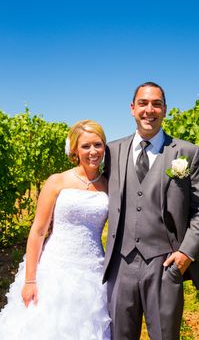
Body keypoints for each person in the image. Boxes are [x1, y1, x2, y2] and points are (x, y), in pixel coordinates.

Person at [103, 82, 199, 340]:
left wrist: (186, 254)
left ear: (165, 110)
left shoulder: (187, 153)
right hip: (121, 264)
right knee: (119, 335)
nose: (149, 110)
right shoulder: (112, 151)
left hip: (165, 264)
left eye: (156, 104)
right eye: (143, 103)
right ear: (132, 108)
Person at [0, 120, 111, 339]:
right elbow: (38, 231)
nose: (93, 152)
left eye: (98, 145)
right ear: (75, 150)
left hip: (93, 272)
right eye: (85, 146)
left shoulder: (109, 184)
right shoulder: (57, 181)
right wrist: (30, 280)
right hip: (55, 269)